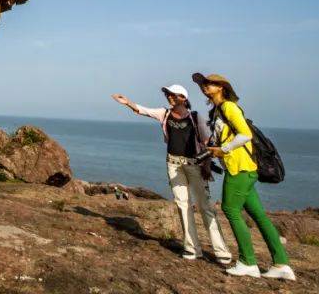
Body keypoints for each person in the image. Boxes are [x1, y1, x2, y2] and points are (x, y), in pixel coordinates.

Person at [111, 85, 232, 265]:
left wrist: (206, 166)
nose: (170, 97)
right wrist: (127, 102)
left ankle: (222, 251)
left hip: (194, 165)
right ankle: (192, 248)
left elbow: (207, 144)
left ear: (183, 98)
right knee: (182, 206)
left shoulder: (195, 117)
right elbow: (143, 110)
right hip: (173, 164)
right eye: (168, 94)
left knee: (205, 206)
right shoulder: (164, 114)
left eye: (173, 95)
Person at [192, 73, 295, 280]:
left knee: (230, 209)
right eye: (203, 84)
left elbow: (245, 134)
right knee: (259, 215)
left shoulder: (229, 107)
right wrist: (214, 148)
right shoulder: (217, 111)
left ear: (221, 87)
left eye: (210, 84)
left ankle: (248, 262)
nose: (205, 87)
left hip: (240, 168)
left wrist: (224, 149)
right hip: (243, 169)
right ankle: (281, 264)